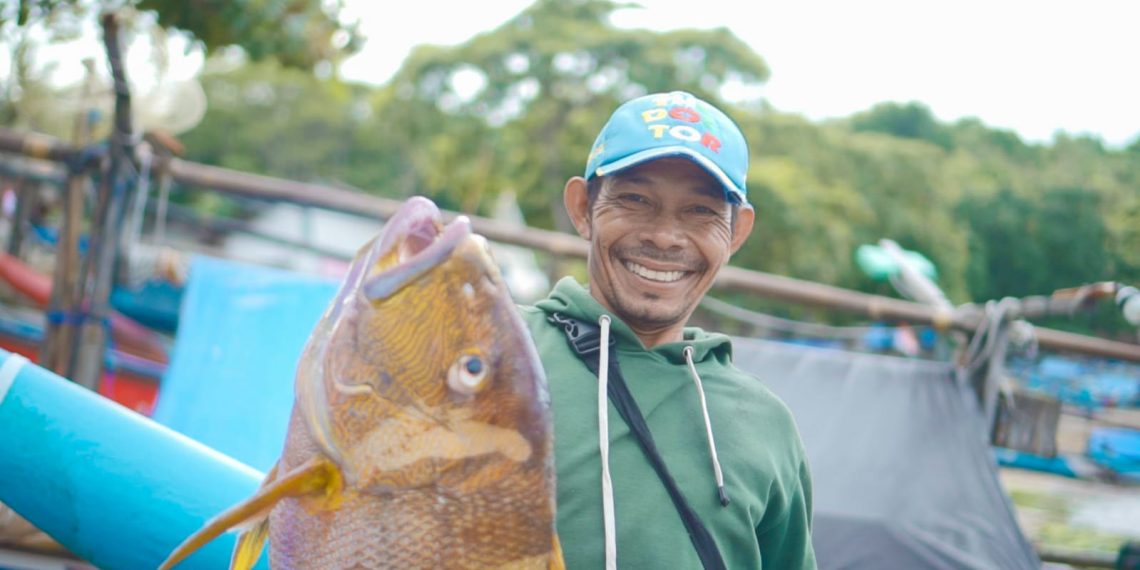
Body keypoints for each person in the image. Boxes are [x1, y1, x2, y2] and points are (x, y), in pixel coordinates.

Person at [519, 90, 816, 569]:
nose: (663, 236)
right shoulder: (490, 352)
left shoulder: (765, 424)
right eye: (636, 200)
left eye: (700, 211)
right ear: (582, 208)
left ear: (736, 233)